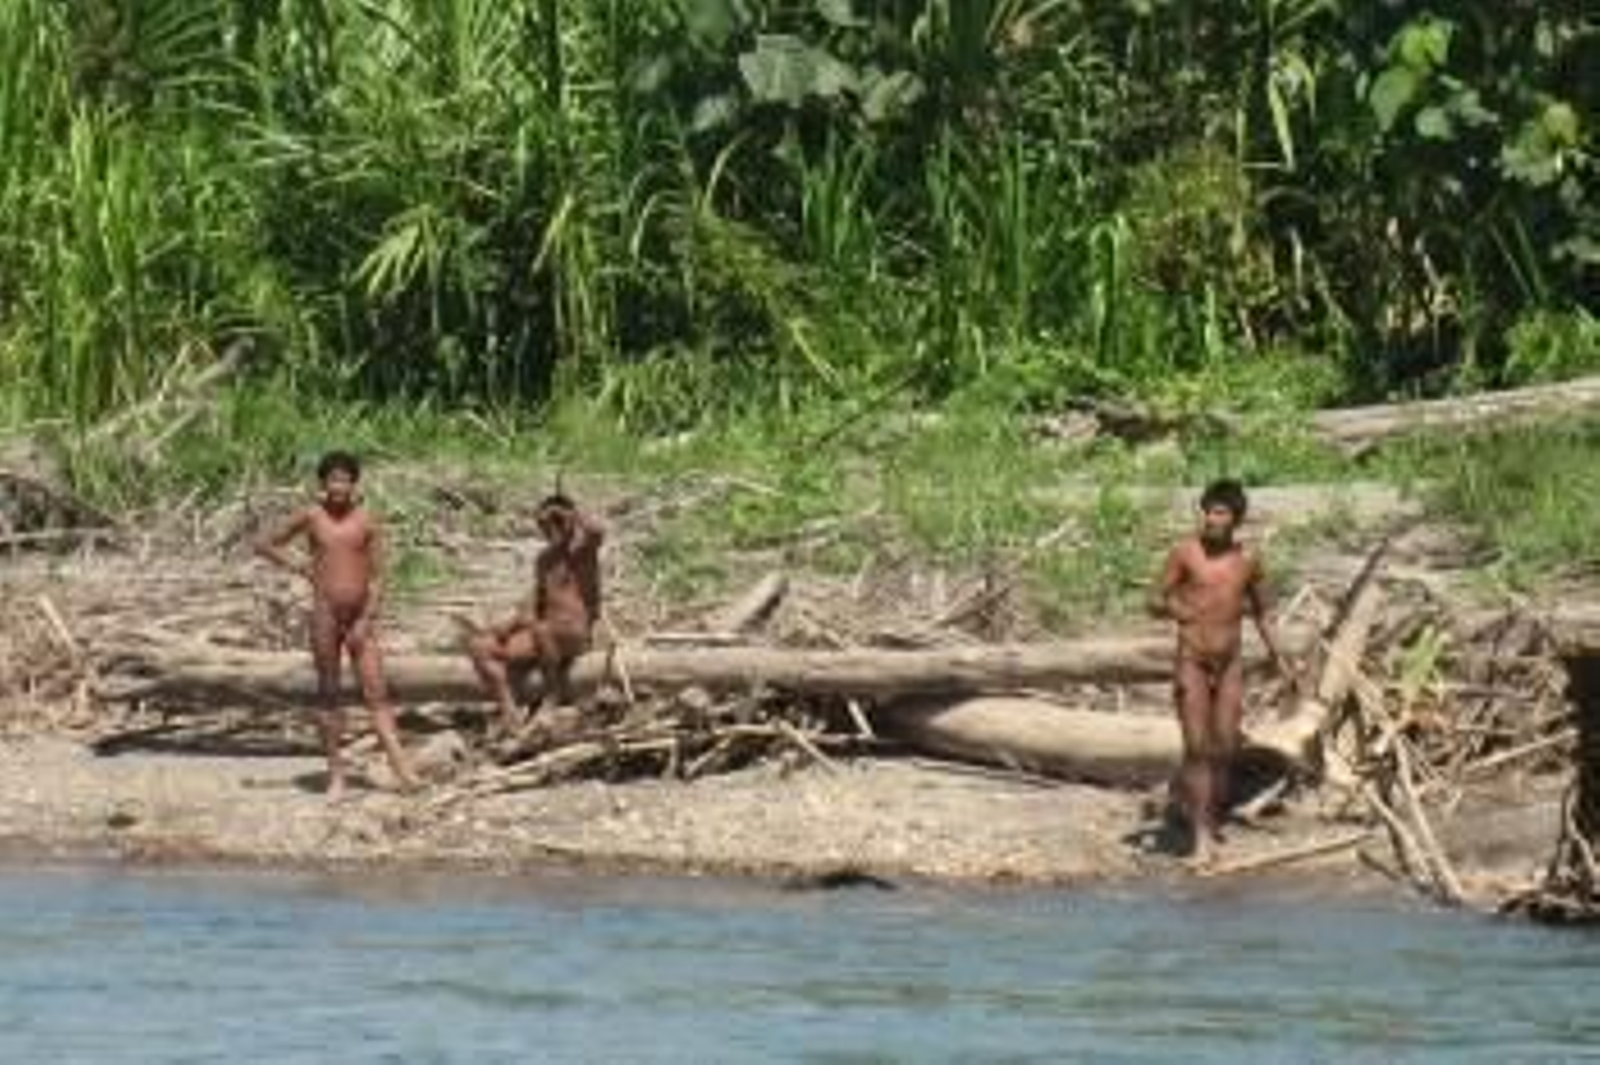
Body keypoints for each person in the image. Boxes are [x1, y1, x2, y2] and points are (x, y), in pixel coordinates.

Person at [256, 450, 421, 800]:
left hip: (359, 616)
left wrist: (366, 618)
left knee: (377, 693)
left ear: (354, 484)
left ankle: (401, 766)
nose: (338, 486)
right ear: (323, 484)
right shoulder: (312, 516)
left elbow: (378, 577)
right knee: (329, 696)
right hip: (324, 616)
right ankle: (336, 775)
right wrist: (299, 566)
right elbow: (265, 544)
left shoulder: (367, 520)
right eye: (332, 479)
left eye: (345, 480)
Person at [1150, 478, 1292, 865]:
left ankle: (1201, 810)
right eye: (1208, 511)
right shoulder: (1184, 553)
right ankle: (1200, 840)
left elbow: (1262, 611)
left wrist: (1279, 655)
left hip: (1229, 664)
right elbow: (1154, 597)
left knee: (1225, 748)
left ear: (1236, 520)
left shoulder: (1248, 561)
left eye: (1221, 513)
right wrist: (1179, 611)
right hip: (1192, 660)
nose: (1212, 519)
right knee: (1197, 748)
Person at [468, 492, 605, 735]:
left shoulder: (582, 552)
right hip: (544, 634)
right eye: (542, 526)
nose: (547, 531)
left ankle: (552, 697)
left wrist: (572, 513)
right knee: (481, 646)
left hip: (574, 634)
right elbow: (536, 600)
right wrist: (510, 625)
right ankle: (508, 706)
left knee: (543, 629)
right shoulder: (544, 560)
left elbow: (597, 530)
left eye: (553, 523)